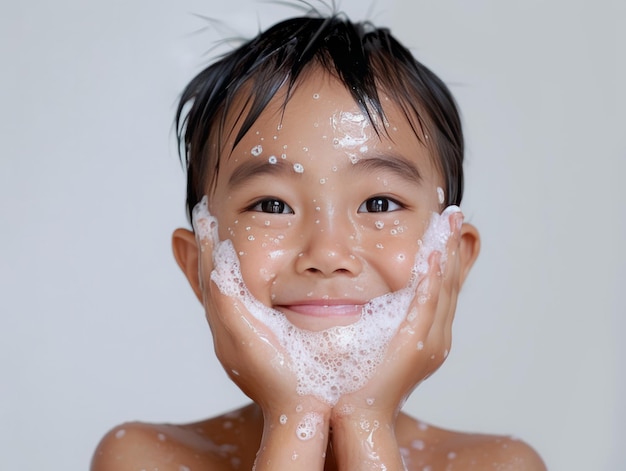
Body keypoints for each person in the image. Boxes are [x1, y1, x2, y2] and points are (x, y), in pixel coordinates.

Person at [91, 12, 546, 471]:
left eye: (380, 204)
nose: (327, 254)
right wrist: (298, 418)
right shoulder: (144, 459)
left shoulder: (501, 465)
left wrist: (364, 421)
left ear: (451, 257)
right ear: (198, 266)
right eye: (272, 206)